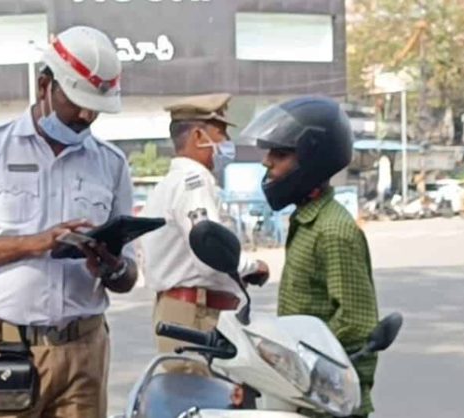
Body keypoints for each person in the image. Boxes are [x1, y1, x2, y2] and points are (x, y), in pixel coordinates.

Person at [0, 26, 137, 418]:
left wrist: (113, 266)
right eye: (77, 102)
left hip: (85, 353)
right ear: (44, 86)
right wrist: (33, 243)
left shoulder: (111, 163)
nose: (87, 115)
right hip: (6, 348)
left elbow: (129, 277)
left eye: (97, 108)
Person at [241, 96, 379, 418]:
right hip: (305, 393)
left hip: (329, 401)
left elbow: (356, 324)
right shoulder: (306, 222)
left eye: (281, 154)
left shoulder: (333, 231)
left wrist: (293, 361)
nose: (267, 163)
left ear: (312, 160)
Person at [140, 93, 269, 371]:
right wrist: (251, 266)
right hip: (196, 314)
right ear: (199, 136)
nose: (226, 144)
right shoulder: (194, 181)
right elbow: (208, 248)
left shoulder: (171, 184)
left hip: (186, 310)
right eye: (221, 133)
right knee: (202, 398)